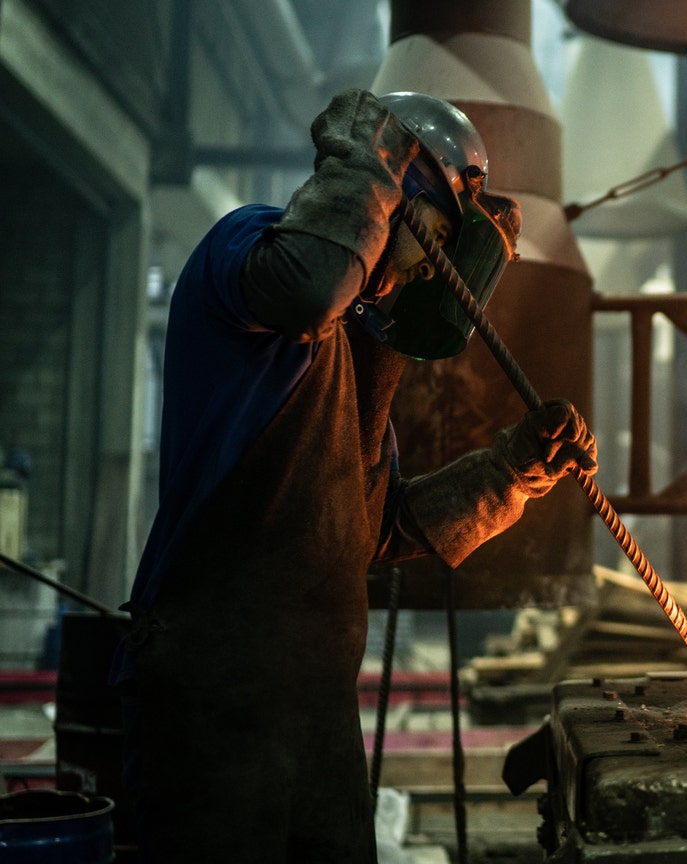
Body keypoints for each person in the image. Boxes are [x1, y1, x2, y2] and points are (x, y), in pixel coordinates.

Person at [112, 89, 597, 861]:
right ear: (396, 200)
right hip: (209, 707)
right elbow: (312, 283)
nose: (419, 268)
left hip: (317, 718)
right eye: (433, 232)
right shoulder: (248, 253)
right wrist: (372, 163)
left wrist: (511, 472)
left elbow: (374, 527)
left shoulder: (356, 354)